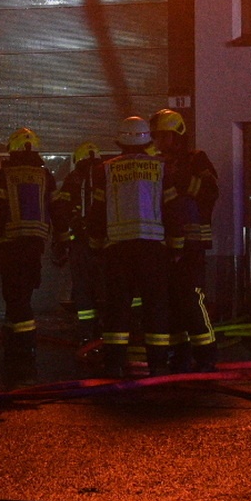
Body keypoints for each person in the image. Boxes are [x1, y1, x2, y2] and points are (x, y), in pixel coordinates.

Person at [96, 116, 169, 378]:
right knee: (156, 306)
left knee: (117, 307)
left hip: (118, 248)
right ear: (148, 140)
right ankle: (159, 364)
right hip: (152, 248)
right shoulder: (161, 167)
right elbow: (170, 208)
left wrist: (95, 244)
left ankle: (113, 364)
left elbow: (96, 210)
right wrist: (175, 245)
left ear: (120, 141)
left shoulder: (105, 169)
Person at [151, 107, 219, 372]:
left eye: (164, 136)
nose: (160, 142)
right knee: (171, 301)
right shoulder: (156, 161)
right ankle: (180, 355)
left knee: (191, 298)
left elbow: (210, 192)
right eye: (156, 137)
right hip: (166, 242)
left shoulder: (197, 159)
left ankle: (206, 356)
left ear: (178, 135)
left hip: (192, 242)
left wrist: (176, 178)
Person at [0, 127, 56, 365]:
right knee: (21, 293)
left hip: (11, 244)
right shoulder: (46, 175)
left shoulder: (5, 175)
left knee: (14, 295)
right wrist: (62, 239)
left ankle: (24, 348)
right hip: (35, 244)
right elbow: (57, 209)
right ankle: (14, 338)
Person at [52, 140, 108, 341]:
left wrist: (62, 241)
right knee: (108, 285)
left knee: (83, 287)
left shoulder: (73, 177)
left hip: (81, 242)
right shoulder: (107, 174)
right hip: (107, 243)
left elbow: (61, 209)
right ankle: (109, 329)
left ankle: (86, 332)